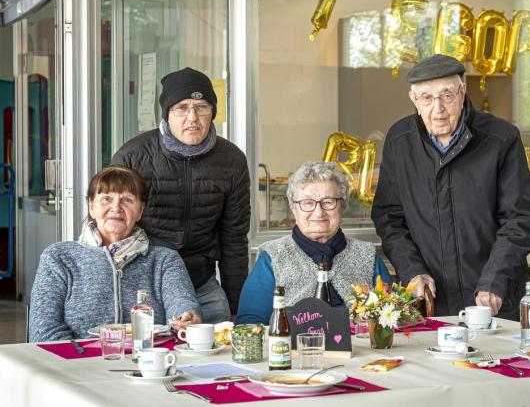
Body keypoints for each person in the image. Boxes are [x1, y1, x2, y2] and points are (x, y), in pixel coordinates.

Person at [371, 54, 530, 319]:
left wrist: (494, 281)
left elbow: (519, 220)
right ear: (413, 100)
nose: (437, 108)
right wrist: (412, 270)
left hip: (493, 299)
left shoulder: (500, 138)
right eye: (426, 97)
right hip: (429, 302)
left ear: (462, 93)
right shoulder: (399, 141)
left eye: (447, 95)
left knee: (496, 361)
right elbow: (389, 218)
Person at [112, 67, 250, 323]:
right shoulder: (132, 157)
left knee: (218, 354)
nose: (192, 118)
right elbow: (111, 229)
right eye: (182, 107)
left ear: (213, 113)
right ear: (166, 113)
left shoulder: (231, 160)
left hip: (202, 283)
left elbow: (234, 237)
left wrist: (236, 304)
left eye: (202, 107)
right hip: (145, 284)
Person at [29, 166, 200, 342]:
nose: (116, 207)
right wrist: (87, 359)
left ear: (140, 210)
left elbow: (182, 304)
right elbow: (43, 331)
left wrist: (187, 319)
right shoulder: (58, 257)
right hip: (77, 363)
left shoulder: (164, 259)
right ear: (91, 206)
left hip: (146, 362)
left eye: (127, 200)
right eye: (106, 199)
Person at [236, 161, 392, 325]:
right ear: (293, 208)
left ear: (343, 205)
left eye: (328, 202)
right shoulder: (273, 256)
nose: (318, 212)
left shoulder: (366, 255)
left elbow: (394, 314)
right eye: (307, 203)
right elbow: (250, 326)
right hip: (292, 349)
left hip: (361, 349)